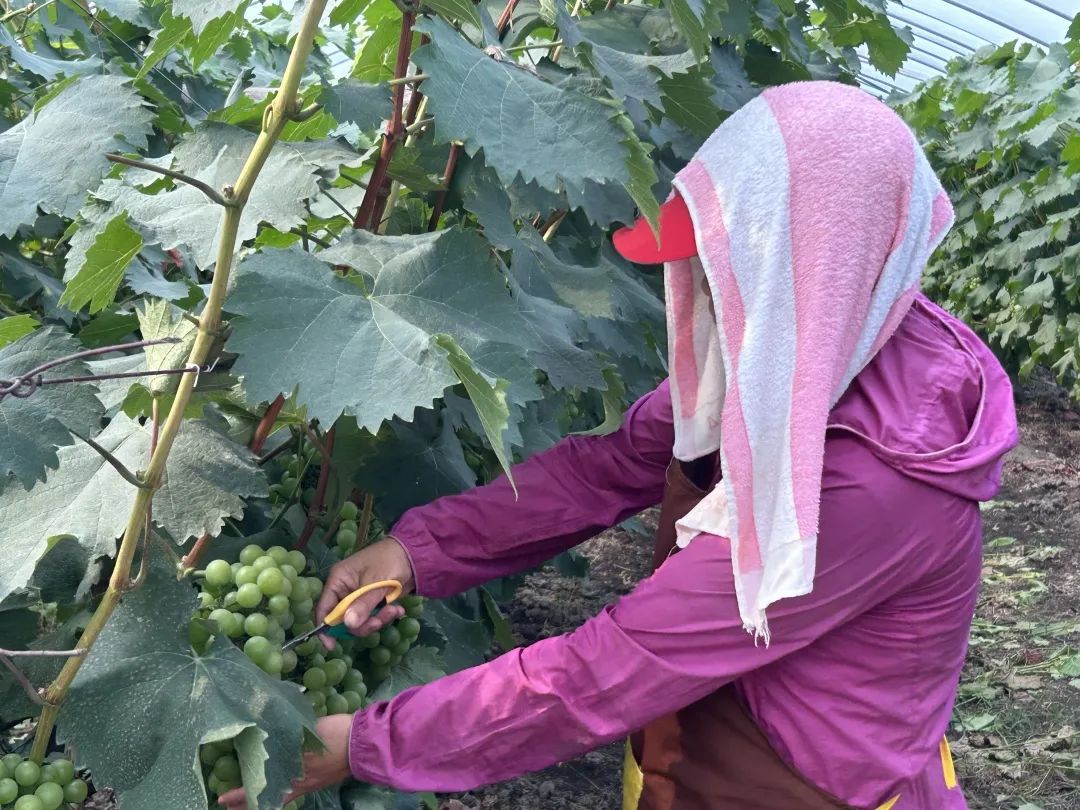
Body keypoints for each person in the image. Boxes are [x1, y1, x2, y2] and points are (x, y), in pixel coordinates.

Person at [222, 81, 1019, 809]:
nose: (703, 287)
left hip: (808, 788)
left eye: (725, 265)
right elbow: (600, 470)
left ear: (803, 269)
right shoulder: (798, 349)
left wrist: (365, 744)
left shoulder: (878, 484)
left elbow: (608, 673)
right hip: (703, 738)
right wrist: (415, 551)